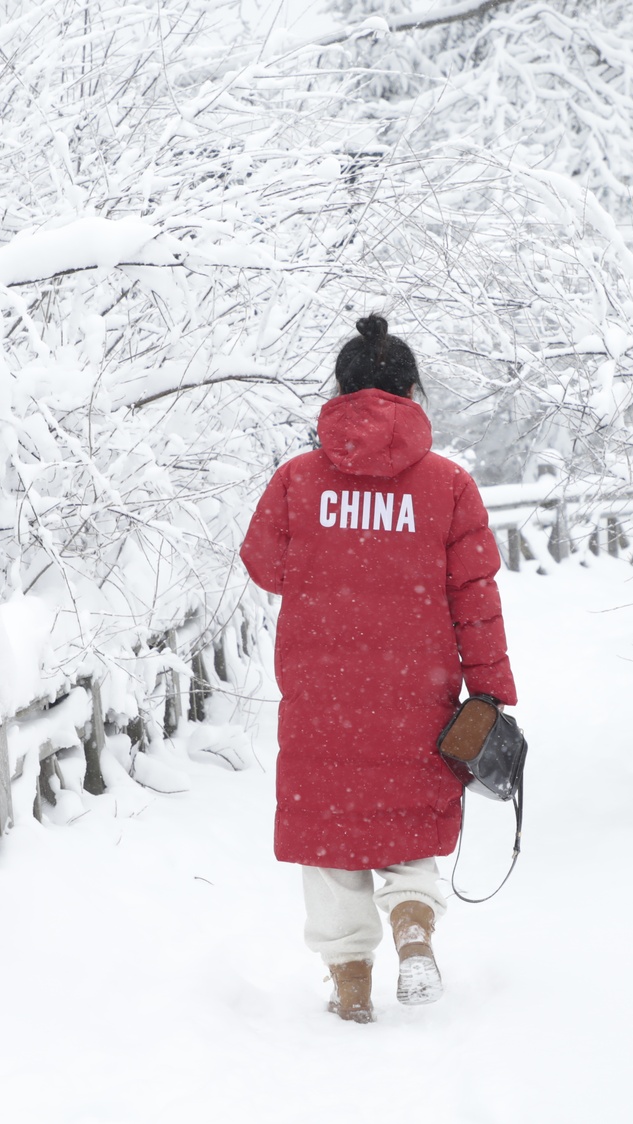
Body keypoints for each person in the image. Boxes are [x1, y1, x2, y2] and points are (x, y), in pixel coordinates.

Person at [238, 314, 517, 1024]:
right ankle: (414, 929)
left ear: (339, 390)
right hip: (415, 691)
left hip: (322, 694)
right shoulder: (449, 485)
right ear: (413, 392)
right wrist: (488, 689)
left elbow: (264, 566)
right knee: (406, 825)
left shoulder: (299, 480)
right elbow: (476, 600)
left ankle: (352, 985)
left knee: (331, 838)